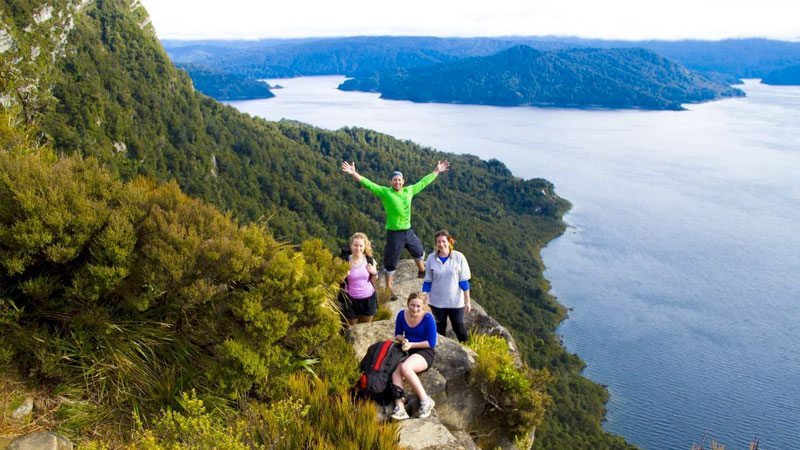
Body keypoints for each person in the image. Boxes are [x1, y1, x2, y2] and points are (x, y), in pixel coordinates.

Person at [341, 160, 450, 299]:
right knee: (391, 262)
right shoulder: (385, 192)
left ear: (403, 181)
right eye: (394, 180)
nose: (397, 182)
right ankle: (388, 288)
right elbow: (368, 184)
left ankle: (422, 270)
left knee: (418, 250)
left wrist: (437, 171)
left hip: (408, 230)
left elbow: (423, 182)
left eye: (399, 180)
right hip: (394, 233)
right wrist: (353, 173)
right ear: (390, 182)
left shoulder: (409, 190)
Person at [389, 293, 437, 420]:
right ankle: (400, 407)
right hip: (407, 349)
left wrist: (411, 345)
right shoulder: (401, 315)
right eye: (412, 305)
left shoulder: (428, 318)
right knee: (395, 372)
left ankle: (426, 400)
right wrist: (404, 340)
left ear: (424, 306)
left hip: (424, 351)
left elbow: (431, 342)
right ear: (407, 303)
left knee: (405, 367)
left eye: (418, 306)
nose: (414, 309)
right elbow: (397, 334)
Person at [422, 230, 472, 342]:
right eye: (438, 242)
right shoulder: (431, 258)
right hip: (436, 302)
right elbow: (428, 280)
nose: (441, 244)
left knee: (458, 327)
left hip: (455, 302)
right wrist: (424, 296)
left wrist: (467, 301)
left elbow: (463, 281)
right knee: (439, 329)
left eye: (444, 241)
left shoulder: (459, 257)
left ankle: (468, 350)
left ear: (449, 242)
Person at [340, 232, 379, 326]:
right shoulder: (345, 261)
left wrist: (374, 272)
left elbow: (373, 280)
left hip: (369, 299)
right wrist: (343, 275)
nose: (358, 248)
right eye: (355, 245)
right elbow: (339, 282)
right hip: (350, 301)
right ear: (351, 245)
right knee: (352, 329)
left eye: (361, 245)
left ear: (365, 246)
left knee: (366, 327)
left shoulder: (369, 260)